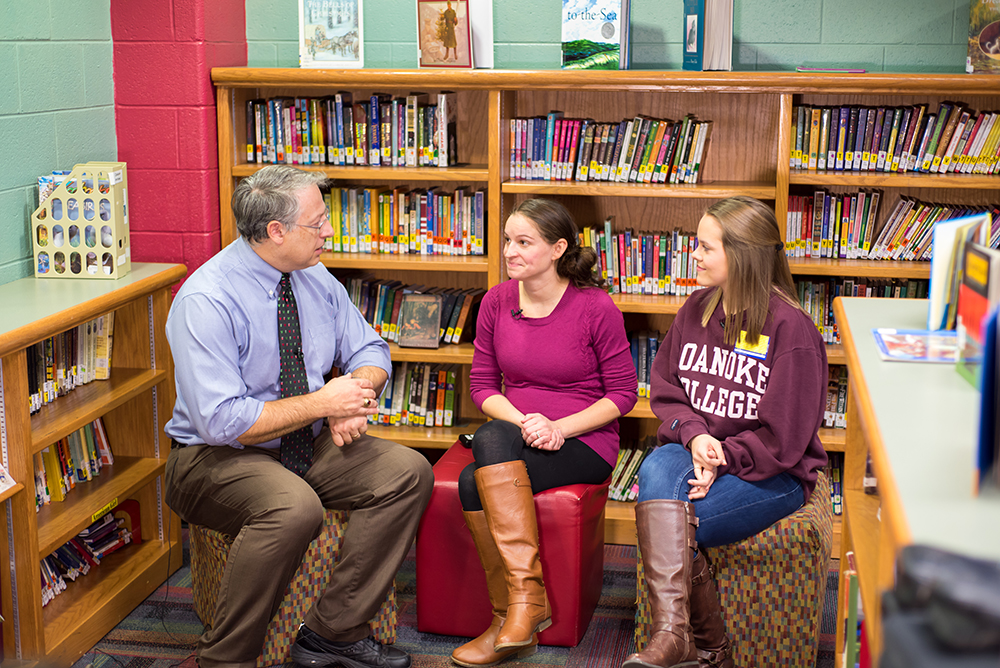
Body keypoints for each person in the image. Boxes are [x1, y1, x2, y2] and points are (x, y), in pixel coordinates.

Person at [164, 165, 433, 668]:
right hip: (213, 458)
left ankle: (333, 631)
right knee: (295, 507)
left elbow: (371, 349)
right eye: (319, 223)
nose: (330, 232)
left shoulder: (313, 275)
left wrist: (352, 397)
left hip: (307, 440)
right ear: (275, 231)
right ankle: (225, 659)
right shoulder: (206, 299)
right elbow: (223, 422)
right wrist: (322, 404)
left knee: (407, 472)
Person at [623, 196, 828, 668]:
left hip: (772, 473)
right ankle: (687, 642)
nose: (692, 254)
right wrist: (695, 437)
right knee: (657, 468)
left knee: (671, 529)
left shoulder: (790, 330)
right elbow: (666, 387)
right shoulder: (696, 308)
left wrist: (723, 458)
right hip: (697, 448)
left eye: (704, 246)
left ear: (742, 256)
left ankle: (695, 645)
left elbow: (786, 438)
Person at [453, 198, 638, 667]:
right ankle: (518, 608)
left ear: (557, 249)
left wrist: (558, 427)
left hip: (585, 437)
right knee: (488, 447)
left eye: (523, 242)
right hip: (520, 430)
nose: (509, 251)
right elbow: (481, 385)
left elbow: (622, 395)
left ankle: (513, 614)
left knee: (478, 471)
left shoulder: (595, 307)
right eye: (507, 240)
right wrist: (527, 422)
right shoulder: (496, 300)